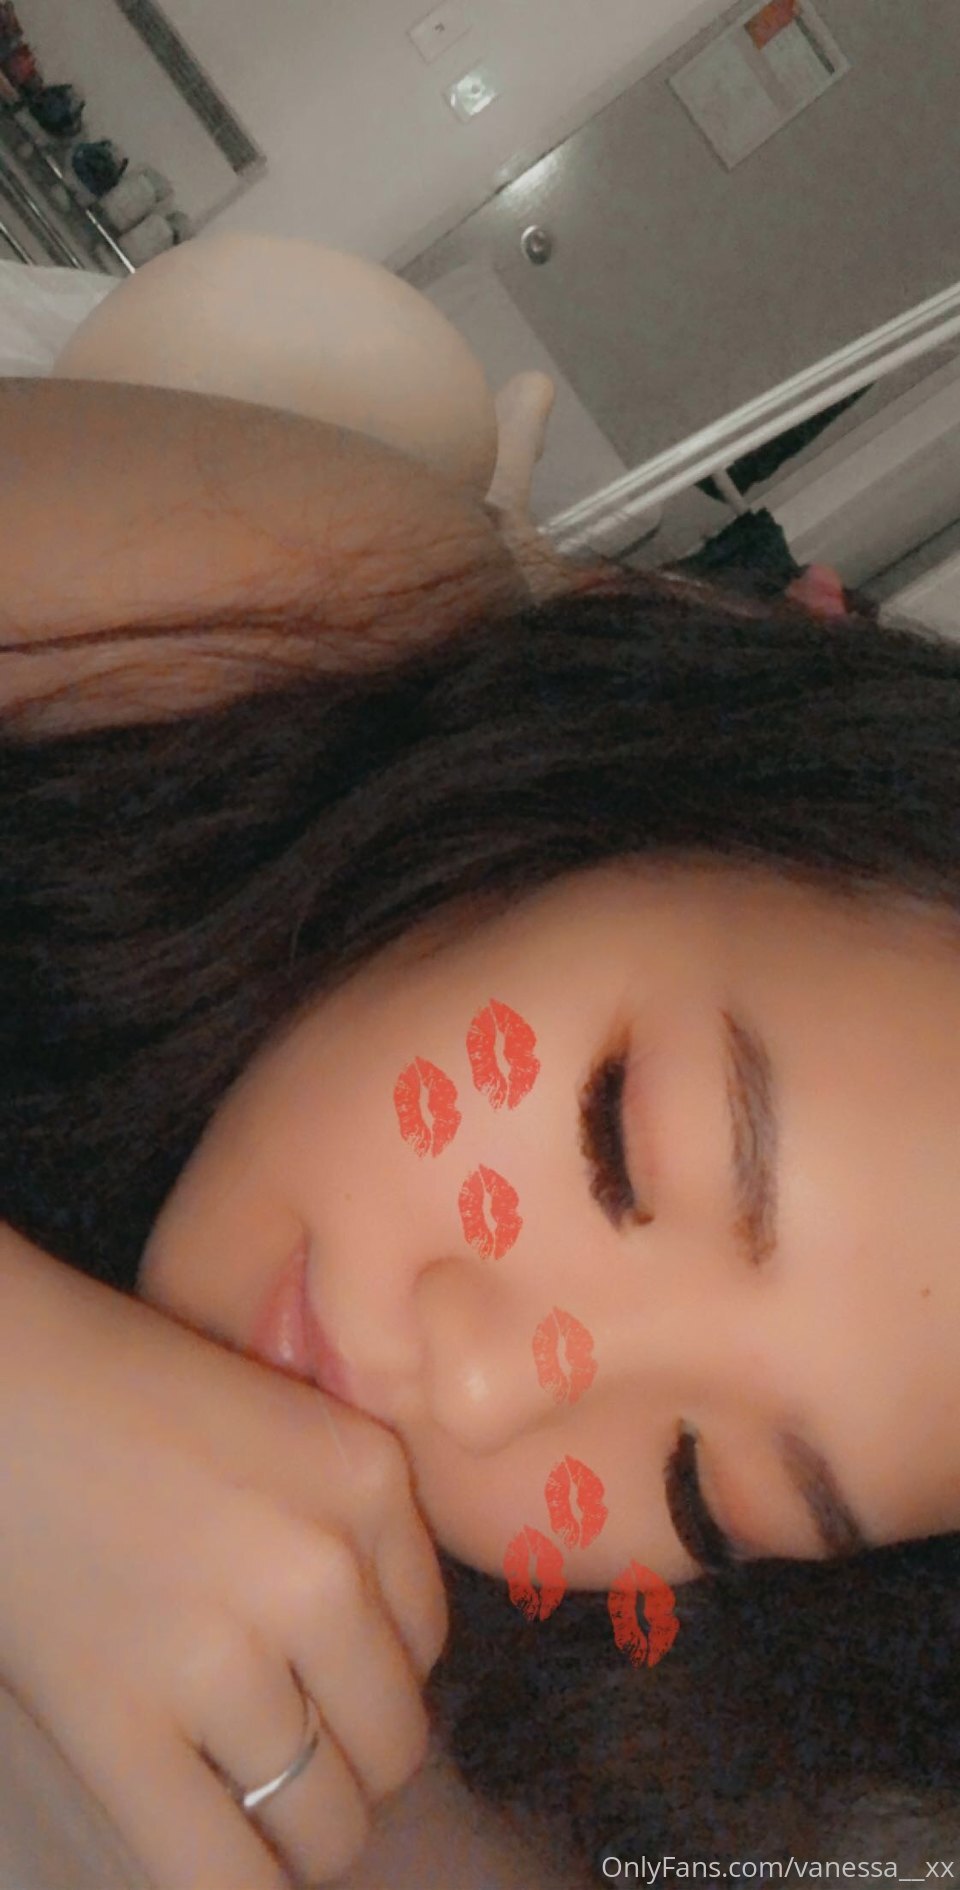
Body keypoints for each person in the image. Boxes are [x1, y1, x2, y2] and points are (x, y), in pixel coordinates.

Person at [0, 305, 958, 1888]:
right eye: (615, 1141)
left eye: (695, 1489)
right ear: (613, 810)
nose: (490, 1388)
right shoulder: (301, 593)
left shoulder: (492, 1722)